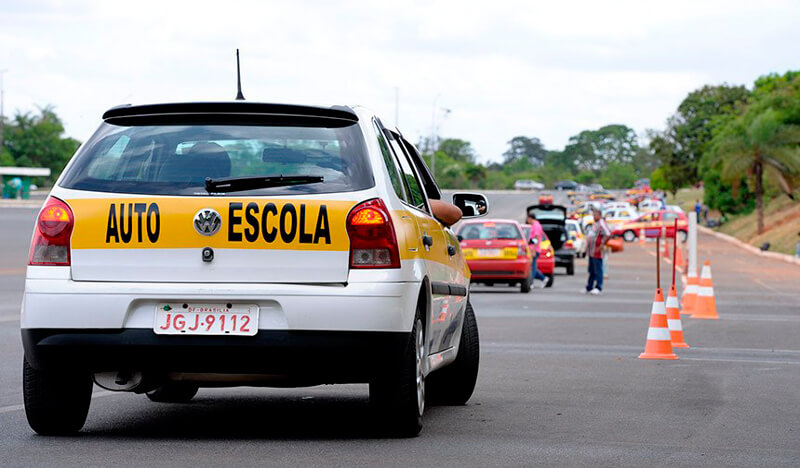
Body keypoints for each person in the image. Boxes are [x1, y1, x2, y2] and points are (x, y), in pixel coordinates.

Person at [584, 207, 610, 295]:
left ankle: (598, 287)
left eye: (595, 215)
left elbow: (608, 234)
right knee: (591, 270)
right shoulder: (595, 223)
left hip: (597, 251)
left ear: (599, 215)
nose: (593, 216)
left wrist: (602, 244)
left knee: (598, 269)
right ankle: (589, 287)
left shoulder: (601, 223)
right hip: (591, 251)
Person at [526, 213, 548, 288]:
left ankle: (531, 282)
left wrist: (534, 251)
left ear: (530, 218)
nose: (527, 221)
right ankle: (543, 278)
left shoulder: (536, 226)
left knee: (533, 267)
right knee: (533, 267)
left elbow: (536, 238)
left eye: (528, 219)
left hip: (534, 249)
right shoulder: (535, 225)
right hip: (532, 249)